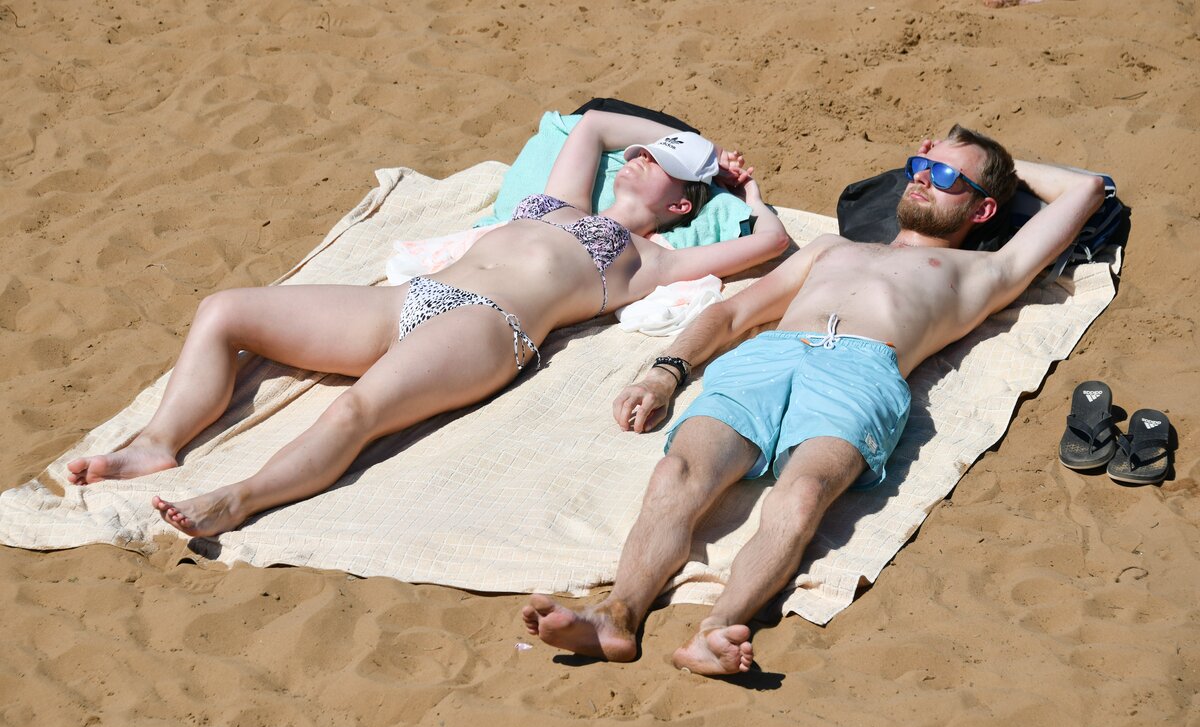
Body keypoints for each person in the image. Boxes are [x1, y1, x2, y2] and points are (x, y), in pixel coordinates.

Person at [523, 124, 1106, 676]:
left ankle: (717, 631)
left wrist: (996, 163)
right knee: (677, 472)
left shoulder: (985, 270)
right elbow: (732, 314)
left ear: (982, 210)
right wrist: (664, 373)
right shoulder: (831, 247)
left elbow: (1086, 189)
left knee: (803, 494)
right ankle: (617, 615)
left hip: (861, 370)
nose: (925, 178)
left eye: (948, 178)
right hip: (767, 356)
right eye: (922, 165)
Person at [66, 110, 790, 537]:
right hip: (413, 300)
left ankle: (238, 499)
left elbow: (771, 240)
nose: (636, 159)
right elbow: (595, 123)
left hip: (487, 329)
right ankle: (158, 443)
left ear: (682, 206)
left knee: (356, 410)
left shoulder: (651, 260)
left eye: (657, 164)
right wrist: (687, 141)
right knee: (224, 309)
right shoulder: (560, 200)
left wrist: (740, 184)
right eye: (640, 154)